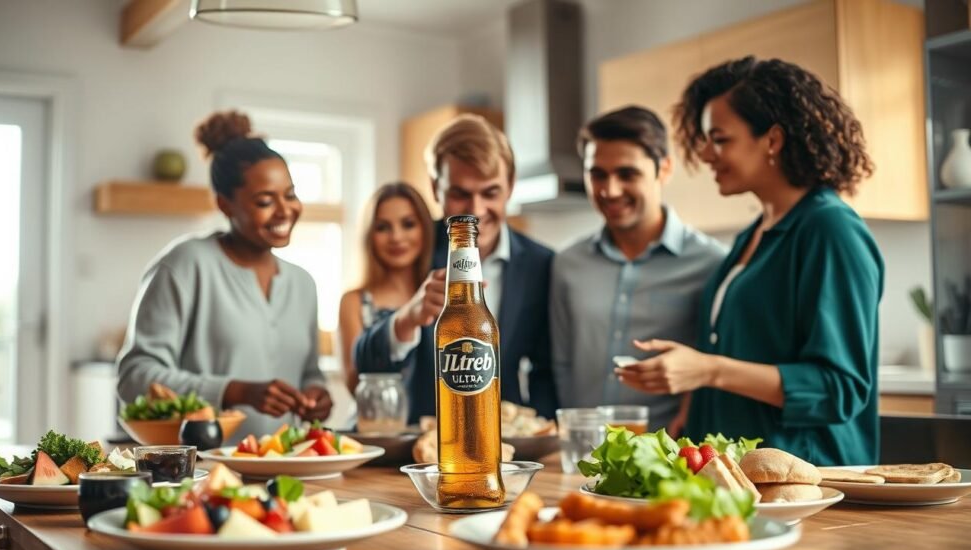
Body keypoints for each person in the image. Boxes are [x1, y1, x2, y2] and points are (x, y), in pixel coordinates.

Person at [617, 56, 883, 466]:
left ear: (772, 140)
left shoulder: (829, 230)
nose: (705, 154)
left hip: (805, 481)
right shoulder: (754, 234)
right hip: (739, 478)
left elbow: (839, 388)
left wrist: (708, 370)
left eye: (719, 139)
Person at [117, 110, 332, 442]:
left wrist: (317, 393)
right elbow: (135, 377)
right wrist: (234, 391)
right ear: (225, 204)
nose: (284, 210)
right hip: (198, 471)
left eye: (290, 195)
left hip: (287, 467)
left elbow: (308, 372)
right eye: (265, 200)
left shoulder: (303, 283)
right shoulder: (185, 265)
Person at [352, 114, 558, 423]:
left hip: (502, 442)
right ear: (436, 188)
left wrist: (538, 432)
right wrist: (409, 315)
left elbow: (545, 369)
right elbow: (365, 362)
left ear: (510, 187)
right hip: (420, 441)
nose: (475, 210)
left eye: (490, 193)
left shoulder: (540, 263)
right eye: (460, 194)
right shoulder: (411, 246)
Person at [551, 106, 726, 434]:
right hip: (582, 454)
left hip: (671, 457)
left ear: (665, 169)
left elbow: (713, 366)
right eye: (597, 174)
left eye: (627, 174)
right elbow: (561, 364)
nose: (609, 190)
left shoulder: (710, 263)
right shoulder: (567, 264)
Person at [339, 182, 434, 393]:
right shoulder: (354, 301)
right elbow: (354, 384)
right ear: (369, 236)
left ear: (425, 228)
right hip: (375, 424)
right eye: (382, 227)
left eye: (408, 224)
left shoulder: (440, 294)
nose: (396, 237)